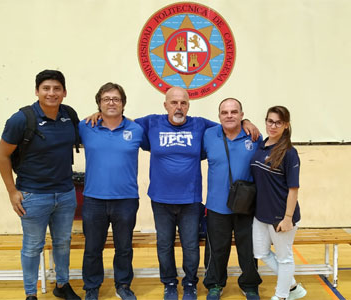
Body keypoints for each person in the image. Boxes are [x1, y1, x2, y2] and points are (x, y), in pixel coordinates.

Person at [87, 87, 259, 300]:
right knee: (164, 245)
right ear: (165, 105)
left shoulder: (201, 126)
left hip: (191, 199)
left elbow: (230, 125)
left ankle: (189, 283)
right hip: (161, 199)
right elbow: (120, 121)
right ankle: (169, 283)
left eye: (183, 103)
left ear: (188, 105)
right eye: (174, 102)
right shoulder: (150, 123)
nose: (179, 107)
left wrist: (247, 121)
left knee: (190, 246)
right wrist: (100, 115)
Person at [0, 70, 81, 300]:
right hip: (32, 196)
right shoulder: (22, 119)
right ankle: (31, 293)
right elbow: (2, 155)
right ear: (37, 91)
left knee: (63, 243)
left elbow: (86, 135)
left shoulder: (69, 115)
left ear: (64, 92)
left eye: (56, 89)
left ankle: (62, 285)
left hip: (65, 193)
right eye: (46, 88)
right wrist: (12, 191)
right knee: (33, 246)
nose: (51, 93)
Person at [79, 83, 146, 300]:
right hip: (93, 200)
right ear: (99, 103)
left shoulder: (136, 129)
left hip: (126, 200)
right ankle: (91, 287)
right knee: (92, 249)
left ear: (123, 103)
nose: (111, 102)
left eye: (116, 99)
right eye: (106, 99)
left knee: (124, 248)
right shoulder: (85, 126)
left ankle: (123, 285)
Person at [202, 98, 263, 300]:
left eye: (234, 112)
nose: (229, 115)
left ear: (242, 115)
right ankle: (215, 284)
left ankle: (250, 284)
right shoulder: (209, 135)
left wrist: (250, 123)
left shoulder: (253, 136)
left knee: (249, 248)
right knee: (216, 249)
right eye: (225, 112)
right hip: (217, 205)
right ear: (219, 116)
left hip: (246, 205)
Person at [250, 106, 307, 300]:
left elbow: (293, 188)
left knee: (285, 258)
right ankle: (292, 285)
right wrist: (244, 122)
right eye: (270, 121)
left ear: (286, 125)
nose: (273, 126)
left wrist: (288, 218)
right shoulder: (261, 144)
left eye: (278, 122)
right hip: (261, 214)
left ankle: (281, 296)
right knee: (261, 253)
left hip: (282, 216)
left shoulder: (289, 153)